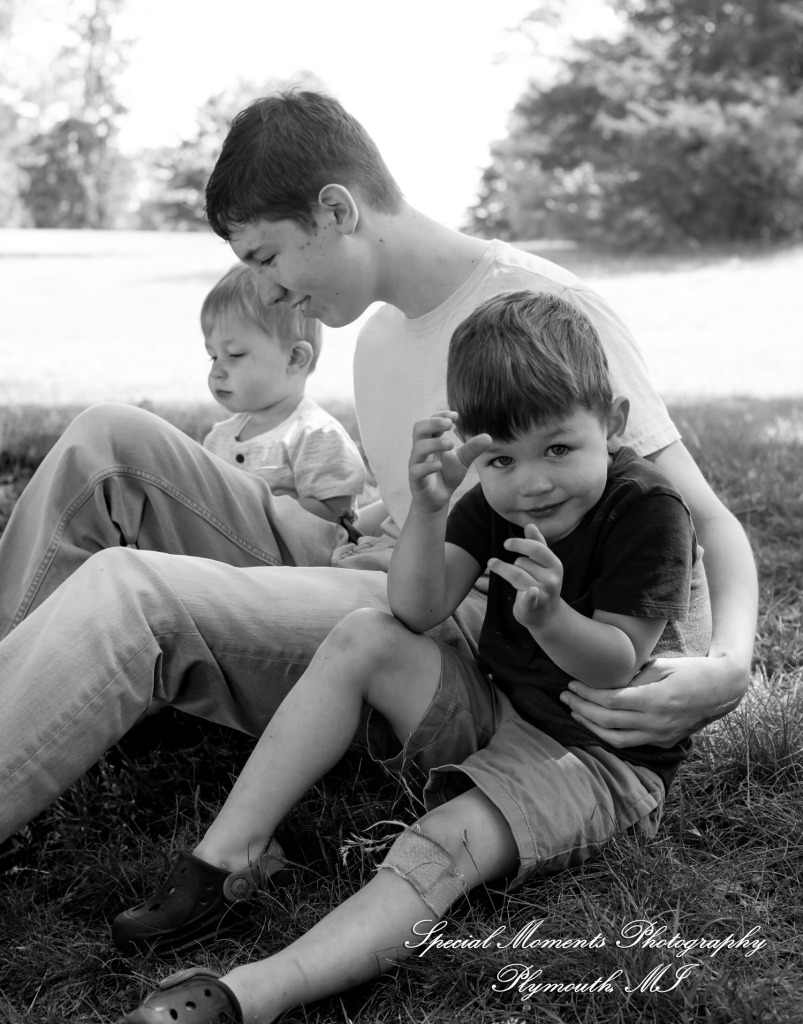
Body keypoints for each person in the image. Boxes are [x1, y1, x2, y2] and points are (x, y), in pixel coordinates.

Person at [0, 91, 755, 874]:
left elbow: (702, 518)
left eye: (265, 258)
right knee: (108, 441)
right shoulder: (378, 341)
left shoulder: (541, 311)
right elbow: (415, 511)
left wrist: (726, 668)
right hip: (379, 569)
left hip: (460, 631)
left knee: (132, 590)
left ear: (336, 211)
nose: (265, 293)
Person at [117, 291, 709, 1022]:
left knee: (445, 841)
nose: (531, 481)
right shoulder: (494, 497)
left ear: (613, 423)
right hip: (502, 709)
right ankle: (227, 860)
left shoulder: (645, 509)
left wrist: (550, 617)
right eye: (500, 457)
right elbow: (415, 609)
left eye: (558, 448)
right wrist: (428, 511)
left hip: (595, 757)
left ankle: (253, 993)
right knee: (364, 633)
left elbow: (616, 663)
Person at [200, 262, 365, 523]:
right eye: (213, 357)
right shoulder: (217, 439)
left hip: (288, 562)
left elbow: (336, 519)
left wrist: (255, 512)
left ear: (294, 358)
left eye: (235, 354)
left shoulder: (315, 436)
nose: (218, 371)